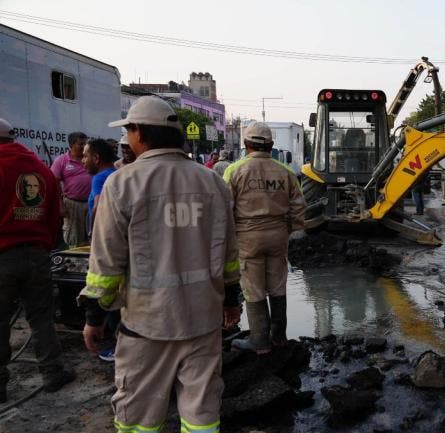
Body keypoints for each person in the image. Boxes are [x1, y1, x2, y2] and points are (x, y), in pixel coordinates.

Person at [79, 96, 242, 432]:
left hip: (147, 325)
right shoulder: (213, 183)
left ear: (140, 133)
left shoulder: (122, 184)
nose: (127, 139)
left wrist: (95, 316)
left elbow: (106, 261)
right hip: (203, 320)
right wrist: (231, 299)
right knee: (201, 412)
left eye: (129, 131)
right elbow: (229, 254)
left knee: (138, 415)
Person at [0, 118, 76, 404]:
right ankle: (53, 373)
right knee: (42, 317)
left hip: (3, 255)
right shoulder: (40, 168)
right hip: (37, 254)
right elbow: (55, 215)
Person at [224, 122, 306, 354]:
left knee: (253, 287)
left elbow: (224, 209)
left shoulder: (235, 170)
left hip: (248, 237)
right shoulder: (286, 172)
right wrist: (288, 229)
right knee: (278, 286)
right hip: (278, 234)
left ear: (246, 144)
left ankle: (259, 340)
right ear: (270, 145)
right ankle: (279, 337)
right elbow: (299, 207)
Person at [50, 131, 91, 248]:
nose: (84, 147)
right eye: (81, 144)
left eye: (85, 144)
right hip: (72, 205)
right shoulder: (62, 160)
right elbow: (54, 182)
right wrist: (60, 204)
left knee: (92, 236)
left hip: (91, 203)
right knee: (73, 238)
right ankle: (74, 263)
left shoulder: (89, 159)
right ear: (71, 145)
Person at [82, 138, 117, 232]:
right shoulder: (117, 173)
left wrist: (92, 233)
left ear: (96, 158)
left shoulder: (99, 178)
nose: (83, 161)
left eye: (85, 156)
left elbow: (98, 207)